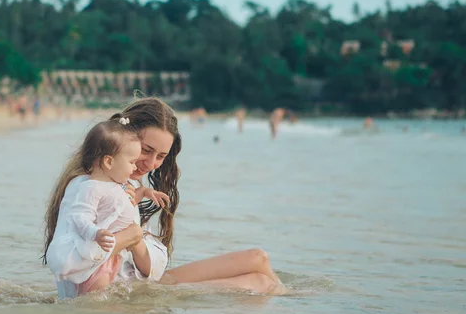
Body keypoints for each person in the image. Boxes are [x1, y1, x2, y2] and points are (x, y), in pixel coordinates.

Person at [42, 98, 285, 298]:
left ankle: (295, 305)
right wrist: (130, 236)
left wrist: (135, 240)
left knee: (258, 257)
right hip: (131, 294)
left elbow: (146, 262)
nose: (150, 164)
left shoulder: (124, 185)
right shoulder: (88, 189)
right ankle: (296, 313)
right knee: (260, 283)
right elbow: (71, 261)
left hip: (144, 282)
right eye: (146, 151)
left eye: (160, 156)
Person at [45, 117, 164, 296]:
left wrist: (145, 193)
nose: (138, 165)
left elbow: (119, 207)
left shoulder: (118, 185)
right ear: (109, 162)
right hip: (99, 262)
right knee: (96, 300)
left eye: (161, 156)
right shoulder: (88, 187)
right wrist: (105, 235)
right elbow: (80, 218)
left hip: (113, 264)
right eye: (134, 160)